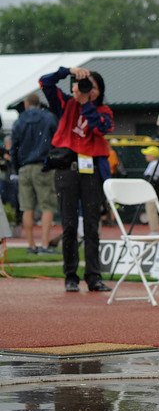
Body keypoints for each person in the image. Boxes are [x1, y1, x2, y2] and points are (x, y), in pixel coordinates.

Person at [40, 66, 114, 293]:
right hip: (67, 170)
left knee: (92, 226)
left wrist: (86, 104)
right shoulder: (65, 103)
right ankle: (70, 276)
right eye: (84, 83)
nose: (86, 89)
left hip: (91, 171)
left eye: (91, 85)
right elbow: (45, 82)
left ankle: (94, 277)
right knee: (69, 225)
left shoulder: (104, 110)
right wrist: (68, 71)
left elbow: (101, 128)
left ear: (99, 90)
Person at [10, 93, 59, 255]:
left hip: (24, 167)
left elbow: (14, 147)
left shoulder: (20, 121)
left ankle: (31, 245)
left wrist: (17, 168)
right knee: (47, 206)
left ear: (26, 104)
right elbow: (57, 140)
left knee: (27, 207)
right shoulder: (48, 117)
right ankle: (44, 245)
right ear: (38, 103)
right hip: (43, 166)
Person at [141, 146, 159, 234]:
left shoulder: (154, 165)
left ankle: (154, 230)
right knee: (153, 210)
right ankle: (155, 229)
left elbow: (153, 180)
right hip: (156, 191)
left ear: (152, 156)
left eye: (148, 154)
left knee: (151, 211)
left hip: (152, 192)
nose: (146, 156)